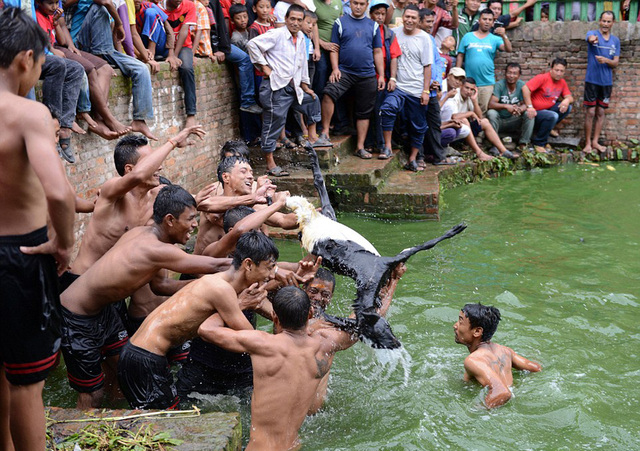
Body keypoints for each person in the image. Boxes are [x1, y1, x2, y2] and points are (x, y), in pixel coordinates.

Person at [60, 185, 232, 409]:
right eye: (190, 219)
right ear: (170, 220)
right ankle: (81, 440)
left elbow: (161, 285)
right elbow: (218, 264)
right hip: (76, 316)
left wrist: (203, 287)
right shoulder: (156, 250)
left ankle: (117, 418)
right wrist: (270, 269)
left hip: (104, 312)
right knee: (92, 392)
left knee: (123, 370)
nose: (194, 225)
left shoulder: (146, 233)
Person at [0, 9, 75, 450]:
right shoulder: (30, 114)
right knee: (27, 383)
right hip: (20, 257)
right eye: (43, 65)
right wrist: (63, 243)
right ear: (26, 59)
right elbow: (60, 194)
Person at [118, 230, 282, 409]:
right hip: (145, 358)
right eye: (269, 267)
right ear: (248, 264)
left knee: (163, 420)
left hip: (140, 354)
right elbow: (250, 339)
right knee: (160, 423)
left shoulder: (218, 283)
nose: (272, 275)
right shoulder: (221, 290)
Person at [198, 286, 341, 450]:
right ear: (309, 314)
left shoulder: (262, 344)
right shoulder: (325, 345)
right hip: (293, 446)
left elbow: (206, 329)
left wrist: (238, 304)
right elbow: (357, 328)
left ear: (274, 317)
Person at [66, 127, 204, 285]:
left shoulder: (155, 198)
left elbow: (199, 201)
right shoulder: (112, 193)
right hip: (81, 282)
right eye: (151, 162)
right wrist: (173, 142)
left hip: (109, 291)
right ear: (129, 169)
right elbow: (138, 175)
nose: (159, 166)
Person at [304, 264, 404, 413]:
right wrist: (394, 279)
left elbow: (367, 319)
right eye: (313, 291)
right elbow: (365, 322)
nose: (318, 298)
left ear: (331, 298)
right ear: (302, 288)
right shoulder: (319, 332)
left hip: (314, 419)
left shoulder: (327, 325)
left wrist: (393, 280)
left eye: (325, 294)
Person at [247, 4, 327, 176]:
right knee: (274, 122)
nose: (296, 23)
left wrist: (305, 86)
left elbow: (302, 64)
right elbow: (252, 45)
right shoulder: (277, 34)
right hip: (274, 87)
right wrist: (265, 68)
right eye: (293, 19)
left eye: (300, 20)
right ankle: (270, 163)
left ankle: (312, 137)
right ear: (286, 19)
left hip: (293, 87)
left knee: (312, 100)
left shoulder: (300, 38)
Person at [71, 0, 158, 140]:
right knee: (101, 8)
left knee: (141, 69)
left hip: (107, 49)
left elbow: (119, 36)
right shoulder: (103, 5)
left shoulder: (119, 3)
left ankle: (139, 120)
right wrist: (119, 24)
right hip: (83, 44)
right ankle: (99, 118)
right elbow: (106, 4)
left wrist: (127, 57)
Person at [317, 0, 385, 160]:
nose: (358, 6)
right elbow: (334, 48)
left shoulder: (373, 25)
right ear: (351, 4)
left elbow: (377, 51)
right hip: (345, 71)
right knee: (329, 93)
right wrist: (335, 68)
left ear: (367, 5)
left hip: (367, 73)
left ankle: (360, 147)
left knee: (364, 111)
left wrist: (380, 74)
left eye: (362, 3)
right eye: (355, 3)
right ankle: (325, 132)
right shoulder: (340, 22)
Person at [453, 303, 541, 408]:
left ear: (477, 331)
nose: (455, 325)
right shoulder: (505, 351)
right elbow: (535, 368)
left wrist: (475, 410)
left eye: (460, 321)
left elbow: (503, 392)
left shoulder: (473, 360)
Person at [379, 5, 433, 172]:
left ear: (419, 21)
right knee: (388, 108)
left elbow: (427, 66)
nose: (410, 20)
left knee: (418, 126)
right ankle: (387, 146)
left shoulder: (424, 38)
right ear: (402, 16)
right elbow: (392, 57)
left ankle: (412, 158)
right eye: (407, 17)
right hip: (398, 86)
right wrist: (392, 78)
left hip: (417, 88)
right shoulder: (394, 33)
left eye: (413, 18)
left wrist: (425, 91)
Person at [418, 8, 457, 166]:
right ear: (420, 22)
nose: (430, 25)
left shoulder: (430, 39)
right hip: (419, 90)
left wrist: (437, 84)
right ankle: (419, 156)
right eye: (427, 22)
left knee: (434, 124)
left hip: (433, 91)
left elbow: (436, 64)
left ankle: (438, 157)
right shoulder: (416, 38)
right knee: (419, 124)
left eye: (432, 22)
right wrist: (426, 84)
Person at [440, 77, 513, 160]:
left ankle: (503, 151)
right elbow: (454, 117)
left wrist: (474, 101)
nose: (469, 91)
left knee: (485, 121)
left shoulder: (470, 97)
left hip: (464, 132)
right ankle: (479, 153)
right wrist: (470, 113)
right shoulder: (455, 96)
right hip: (451, 131)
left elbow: (479, 118)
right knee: (464, 120)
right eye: (466, 88)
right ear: (461, 86)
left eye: (471, 89)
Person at [456, 8, 511, 114]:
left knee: (483, 111)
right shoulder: (468, 36)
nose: (487, 22)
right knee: (466, 109)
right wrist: (459, 76)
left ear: (493, 23)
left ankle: (481, 130)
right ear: (479, 20)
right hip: (469, 82)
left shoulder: (495, 39)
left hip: (487, 82)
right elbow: (460, 56)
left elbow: (508, 49)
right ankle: (469, 131)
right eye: (484, 19)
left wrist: (504, 35)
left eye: (490, 20)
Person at [364, 0, 401, 157]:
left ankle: (381, 144)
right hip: (366, 75)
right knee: (366, 110)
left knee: (380, 109)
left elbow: (393, 57)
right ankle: (368, 143)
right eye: (377, 13)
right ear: (371, 14)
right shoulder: (365, 29)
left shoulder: (388, 33)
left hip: (382, 78)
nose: (380, 17)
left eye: (383, 14)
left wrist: (392, 77)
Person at [583, 11, 619, 156]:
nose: (605, 24)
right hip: (592, 80)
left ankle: (595, 141)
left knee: (601, 112)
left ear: (613, 23)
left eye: (608, 21)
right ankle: (586, 143)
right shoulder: (592, 33)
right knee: (590, 112)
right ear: (599, 21)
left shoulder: (615, 40)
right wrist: (592, 39)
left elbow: (616, 62)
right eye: (603, 21)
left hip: (606, 82)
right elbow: (590, 38)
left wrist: (607, 61)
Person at [521, 57, 574, 154]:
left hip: (547, 111)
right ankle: (539, 143)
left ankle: (549, 127)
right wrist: (529, 107)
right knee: (553, 116)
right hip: (535, 113)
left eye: (561, 71)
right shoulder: (542, 78)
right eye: (556, 70)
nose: (558, 73)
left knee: (567, 108)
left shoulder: (562, 82)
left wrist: (566, 100)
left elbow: (570, 97)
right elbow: (525, 88)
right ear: (551, 69)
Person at [160, 0, 198, 130]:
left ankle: (191, 114)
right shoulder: (159, 6)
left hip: (183, 47)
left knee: (187, 68)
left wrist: (174, 55)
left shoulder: (189, 5)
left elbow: (184, 31)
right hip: (162, 46)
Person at [486, 62, 534, 153]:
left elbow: (525, 104)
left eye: (514, 73)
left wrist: (520, 109)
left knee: (529, 113)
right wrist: (506, 106)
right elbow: (491, 104)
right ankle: (495, 145)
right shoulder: (499, 85)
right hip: (499, 120)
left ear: (519, 75)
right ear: (505, 74)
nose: (511, 76)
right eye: (509, 73)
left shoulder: (521, 86)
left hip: (513, 119)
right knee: (491, 113)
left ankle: (523, 144)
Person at [470, 0, 537, 34]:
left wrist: (515, 23)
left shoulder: (499, 19)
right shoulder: (481, 21)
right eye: (494, 8)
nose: (496, 11)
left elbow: (512, 14)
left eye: (499, 9)